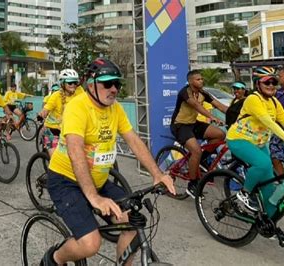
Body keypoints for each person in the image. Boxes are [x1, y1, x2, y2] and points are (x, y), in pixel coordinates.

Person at [41, 58, 175, 265]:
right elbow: (75, 151)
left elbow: (134, 141)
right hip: (65, 181)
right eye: (107, 83)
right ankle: (54, 258)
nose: (113, 89)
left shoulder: (115, 108)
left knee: (132, 221)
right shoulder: (77, 107)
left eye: (117, 84)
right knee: (90, 244)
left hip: (99, 181)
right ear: (91, 84)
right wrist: (94, 197)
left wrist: (157, 174)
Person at [227, 66, 284, 247]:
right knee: (264, 163)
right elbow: (267, 121)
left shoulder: (273, 101)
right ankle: (244, 193)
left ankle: (269, 225)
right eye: (267, 82)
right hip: (238, 139)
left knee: (270, 191)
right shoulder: (252, 99)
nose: (272, 85)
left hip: (259, 143)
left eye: (274, 81)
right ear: (258, 84)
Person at [170, 70, 227, 198]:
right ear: (190, 81)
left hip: (193, 124)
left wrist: (237, 114)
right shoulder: (185, 92)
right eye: (198, 79)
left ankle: (200, 161)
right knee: (196, 151)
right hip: (180, 125)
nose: (201, 81)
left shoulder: (202, 93)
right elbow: (196, 105)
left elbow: (219, 106)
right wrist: (212, 117)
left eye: (201, 79)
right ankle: (192, 184)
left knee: (219, 135)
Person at [38, 69, 84, 156]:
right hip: (53, 130)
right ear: (62, 83)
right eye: (70, 83)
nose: (73, 85)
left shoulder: (79, 92)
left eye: (75, 83)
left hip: (69, 130)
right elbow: (46, 109)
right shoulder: (56, 96)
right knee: (55, 159)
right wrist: (42, 114)